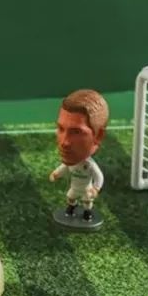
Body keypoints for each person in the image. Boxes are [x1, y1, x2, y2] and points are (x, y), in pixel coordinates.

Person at [49, 89, 109, 226]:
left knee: (87, 202)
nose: (64, 143)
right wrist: (56, 174)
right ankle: (71, 210)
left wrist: (96, 189)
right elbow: (64, 169)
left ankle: (87, 214)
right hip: (74, 188)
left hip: (86, 190)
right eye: (60, 129)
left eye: (76, 132)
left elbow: (98, 177)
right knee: (70, 198)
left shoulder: (89, 165)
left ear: (98, 136)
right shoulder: (71, 163)